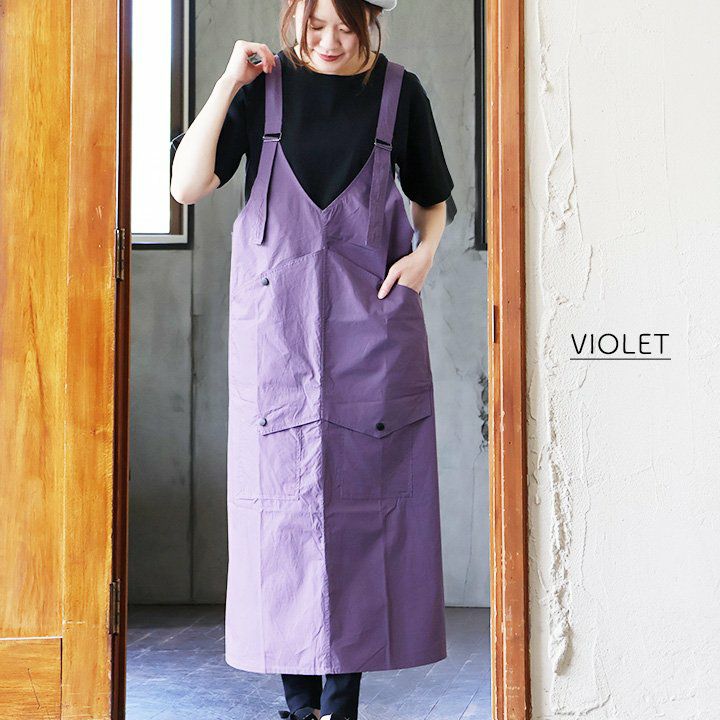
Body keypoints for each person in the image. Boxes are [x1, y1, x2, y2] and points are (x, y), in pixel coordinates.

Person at [170, 1, 454, 718]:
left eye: (346, 26)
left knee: (363, 510)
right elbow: (186, 185)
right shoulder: (261, 91)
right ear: (293, 15)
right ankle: (299, 707)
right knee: (281, 516)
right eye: (316, 23)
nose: (329, 41)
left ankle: (341, 704)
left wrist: (424, 255)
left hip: (372, 338)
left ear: (370, 21)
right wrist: (227, 84)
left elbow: (433, 199)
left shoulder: (400, 94)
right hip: (278, 343)